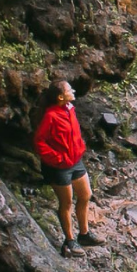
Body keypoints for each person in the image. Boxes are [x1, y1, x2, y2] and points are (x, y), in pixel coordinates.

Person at [35, 80, 101, 255]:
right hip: (58, 166)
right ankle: (69, 242)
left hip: (75, 161)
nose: (73, 90)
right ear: (60, 96)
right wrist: (56, 158)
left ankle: (84, 234)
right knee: (66, 203)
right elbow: (39, 142)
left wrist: (80, 146)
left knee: (86, 195)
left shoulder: (70, 108)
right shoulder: (51, 116)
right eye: (69, 89)